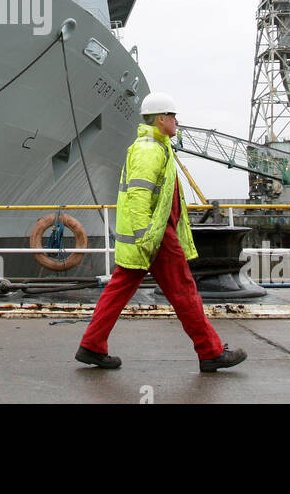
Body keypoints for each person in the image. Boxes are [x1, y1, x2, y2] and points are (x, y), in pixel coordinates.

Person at [75, 92, 246, 372]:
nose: (177, 121)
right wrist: (147, 237)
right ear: (162, 118)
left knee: (118, 291)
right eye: (173, 116)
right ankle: (210, 351)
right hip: (156, 238)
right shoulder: (150, 150)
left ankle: (92, 346)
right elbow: (139, 197)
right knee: (184, 292)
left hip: (152, 237)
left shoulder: (155, 147)